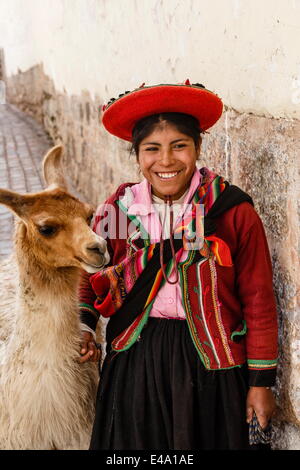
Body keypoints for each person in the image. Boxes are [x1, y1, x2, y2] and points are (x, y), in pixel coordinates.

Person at [78, 81, 278, 450]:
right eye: (152, 149)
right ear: (137, 155)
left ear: (198, 148)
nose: (166, 160)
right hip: (136, 360)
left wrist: (260, 382)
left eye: (179, 146)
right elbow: (89, 273)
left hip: (212, 365)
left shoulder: (230, 211)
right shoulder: (120, 210)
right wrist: (84, 327)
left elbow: (259, 299)